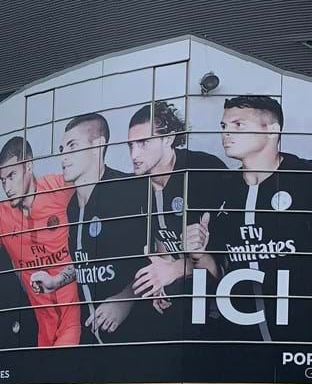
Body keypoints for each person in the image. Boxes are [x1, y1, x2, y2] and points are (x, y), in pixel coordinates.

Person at [189, 95, 312, 342]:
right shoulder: (219, 191)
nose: (227, 134)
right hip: (238, 342)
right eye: (224, 127)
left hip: (299, 338)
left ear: (272, 130)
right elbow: (220, 273)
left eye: (238, 125)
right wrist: (199, 256)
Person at [127, 100, 227, 313]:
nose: (134, 154)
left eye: (144, 142)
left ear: (168, 139)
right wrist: (161, 281)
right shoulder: (136, 187)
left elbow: (226, 257)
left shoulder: (204, 171)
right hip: (182, 294)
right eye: (131, 145)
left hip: (223, 295)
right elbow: (160, 241)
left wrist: (175, 269)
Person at [61, 113, 150, 343]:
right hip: (91, 338)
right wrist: (56, 280)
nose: (63, 158)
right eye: (62, 149)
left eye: (72, 146)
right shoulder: (71, 207)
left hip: (136, 336)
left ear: (98, 146)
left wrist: (126, 298)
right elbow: (83, 263)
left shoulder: (129, 191)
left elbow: (158, 255)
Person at [0, 137, 79, 346]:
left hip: (73, 320)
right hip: (42, 331)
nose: (7, 187)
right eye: (2, 180)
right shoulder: (3, 215)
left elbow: (102, 183)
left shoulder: (59, 188)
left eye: (11, 176)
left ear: (28, 166)